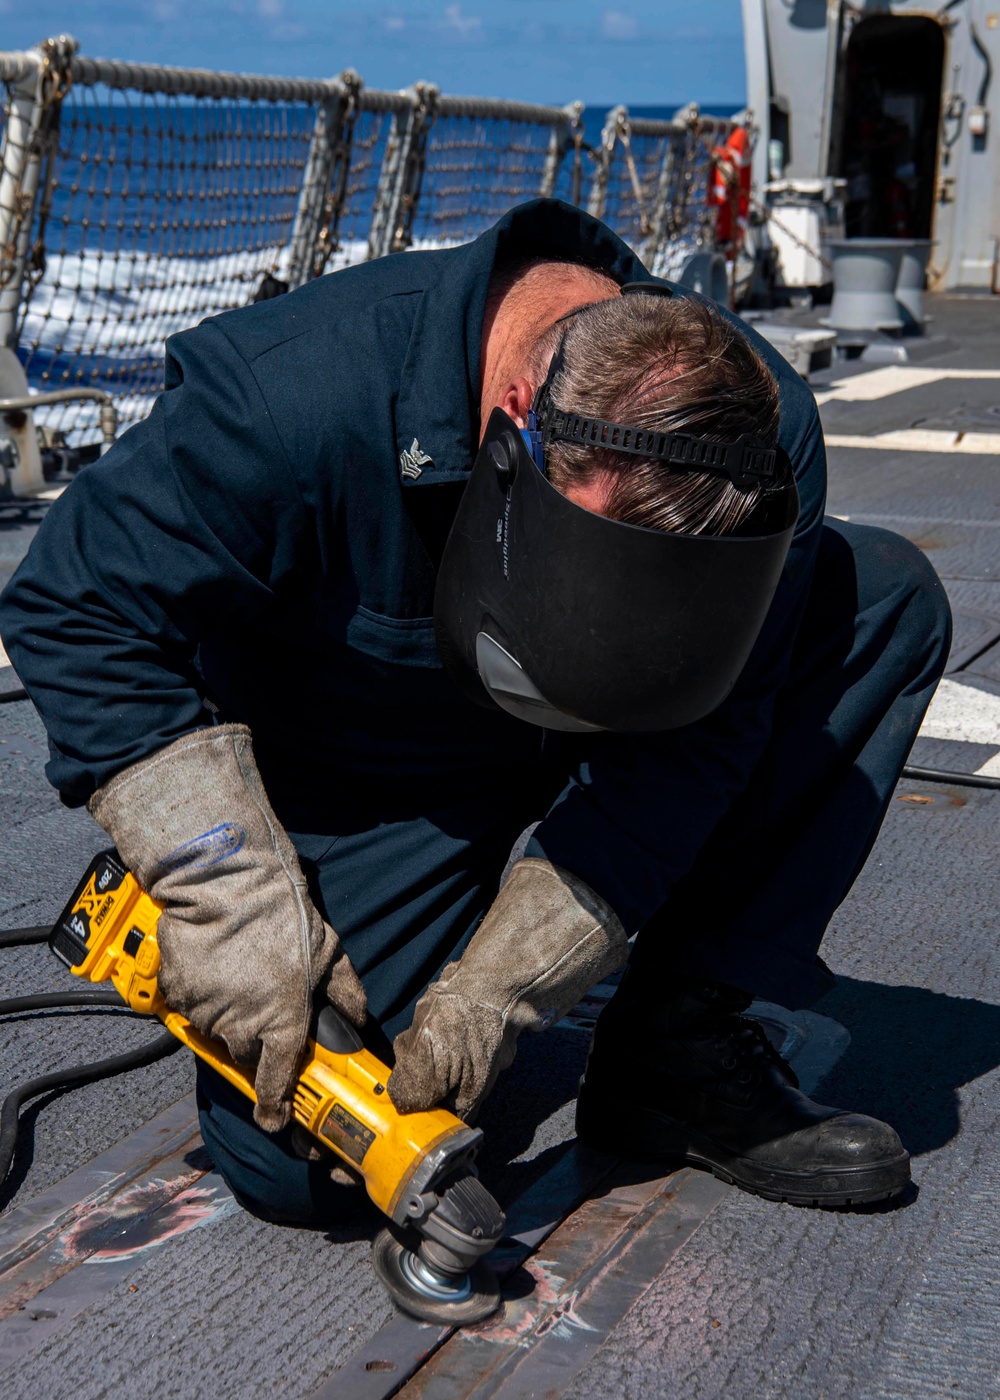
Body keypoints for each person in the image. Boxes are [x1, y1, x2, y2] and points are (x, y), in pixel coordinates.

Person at [0, 200, 950, 1224]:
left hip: (635, 728)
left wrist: (510, 979)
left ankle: (676, 1044)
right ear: (512, 414)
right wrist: (223, 890)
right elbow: (75, 601)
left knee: (876, 597)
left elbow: (702, 744)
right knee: (306, 1162)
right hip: (383, 769)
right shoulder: (290, 400)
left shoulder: (763, 441)